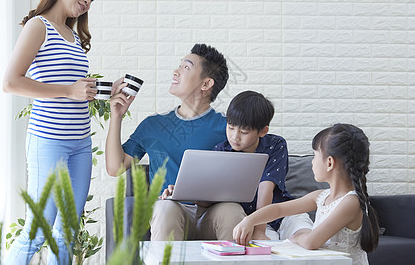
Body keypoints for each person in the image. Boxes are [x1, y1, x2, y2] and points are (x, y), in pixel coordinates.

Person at [2, 0, 98, 264]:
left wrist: (104, 89)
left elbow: (71, 86)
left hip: (80, 143)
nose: (88, 1)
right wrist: (70, 91)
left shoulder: (72, 35)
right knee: (38, 230)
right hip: (49, 141)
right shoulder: (38, 26)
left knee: (67, 232)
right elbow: (11, 82)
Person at [106, 43, 245, 241]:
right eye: (180, 66)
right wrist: (116, 116)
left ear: (206, 84)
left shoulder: (228, 128)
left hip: (212, 214)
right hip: (170, 211)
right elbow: (115, 168)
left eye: (186, 67)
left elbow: (242, 177)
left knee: (232, 210)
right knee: (166, 209)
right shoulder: (153, 125)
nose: (176, 72)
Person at [233, 123, 380, 265]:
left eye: (315, 156)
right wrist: (250, 220)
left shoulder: (350, 202)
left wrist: (298, 237)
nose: (312, 162)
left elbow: (311, 242)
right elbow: (279, 209)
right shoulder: (321, 196)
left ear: (329, 163)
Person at [213, 90, 313, 241]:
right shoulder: (220, 151)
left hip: (283, 212)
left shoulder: (276, 145)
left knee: (306, 235)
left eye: (244, 131)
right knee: (266, 250)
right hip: (247, 219)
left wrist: (260, 230)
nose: (235, 136)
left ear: (263, 131)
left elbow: (266, 187)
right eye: (231, 127)